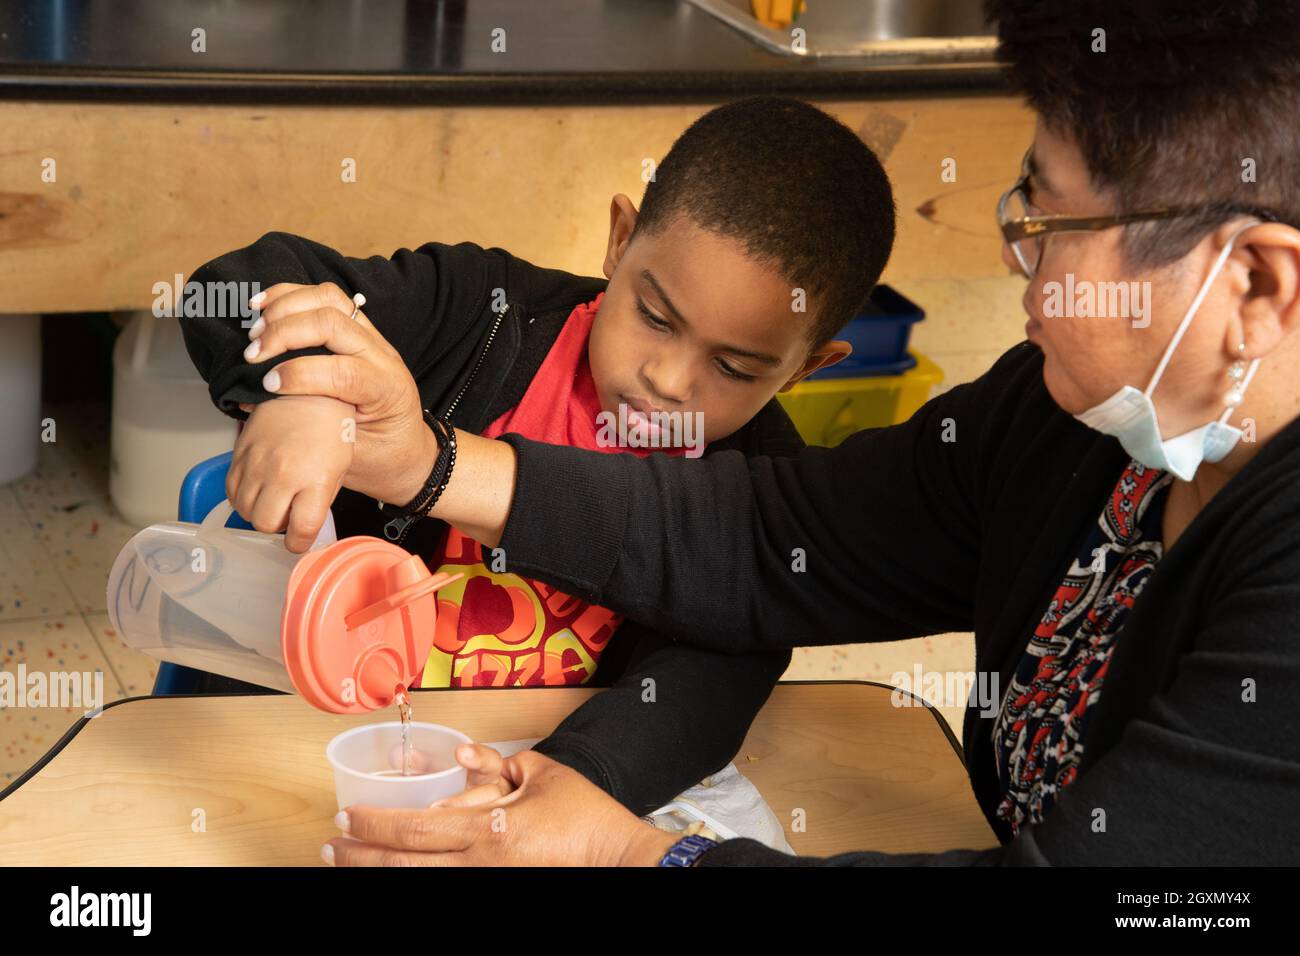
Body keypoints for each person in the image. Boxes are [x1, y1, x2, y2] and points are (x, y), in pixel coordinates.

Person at [287, 0, 1296, 865]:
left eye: (1047, 224)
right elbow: (773, 539)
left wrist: (634, 847)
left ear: (1252, 281)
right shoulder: (1067, 423)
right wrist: (431, 463)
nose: (1009, 256)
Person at [179, 97, 897, 813]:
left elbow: (702, 693)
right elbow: (231, 285)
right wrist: (305, 390)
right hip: (311, 734)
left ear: (805, 369)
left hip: (530, 772)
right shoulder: (480, 314)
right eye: (654, 317)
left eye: (736, 369)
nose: (669, 382)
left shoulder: (764, 501)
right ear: (621, 240)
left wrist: (565, 781)